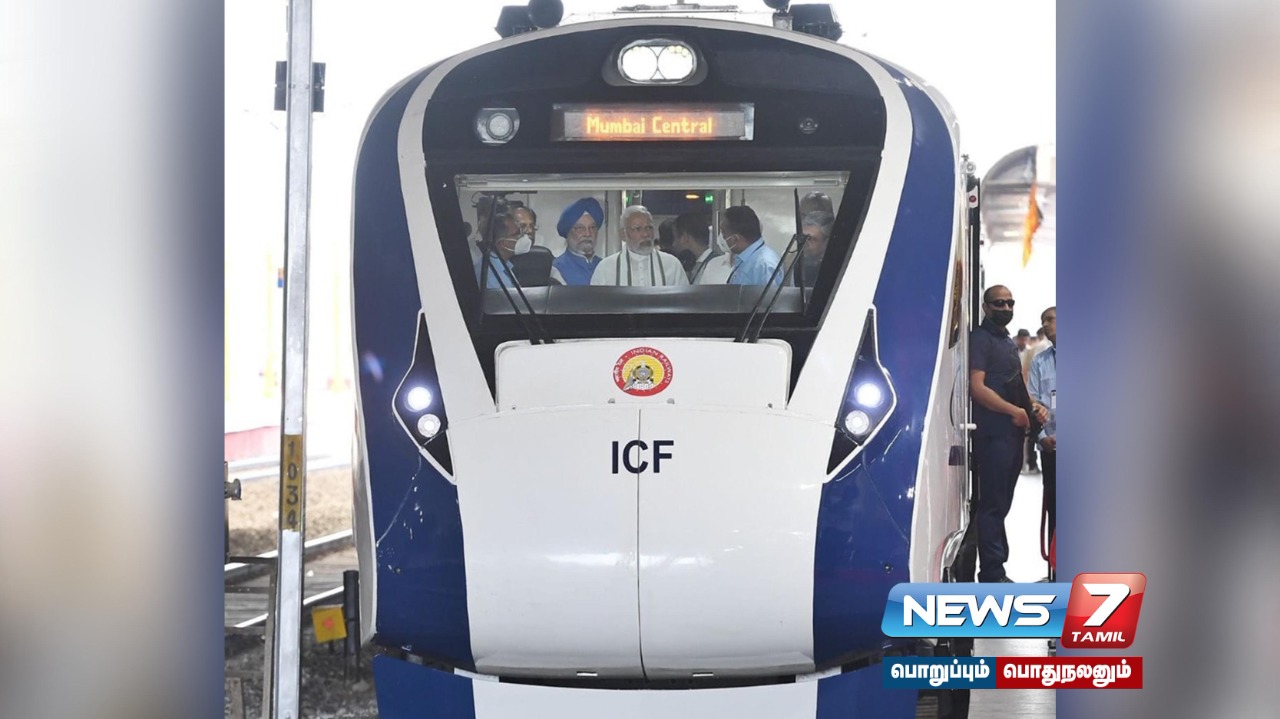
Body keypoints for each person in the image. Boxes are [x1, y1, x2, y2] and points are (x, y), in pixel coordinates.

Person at [960, 285, 1048, 583]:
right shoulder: (981, 339)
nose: (1006, 308)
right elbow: (977, 387)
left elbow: (1014, 385)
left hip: (1011, 434)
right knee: (992, 505)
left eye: (1010, 303)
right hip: (993, 434)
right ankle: (991, 572)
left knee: (1000, 504)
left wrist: (1031, 407)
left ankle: (996, 568)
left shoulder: (1006, 341)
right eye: (999, 303)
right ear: (986, 307)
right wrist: (1014, 412)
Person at [590, 206, 690, 287]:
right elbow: (596, 304)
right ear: (623, 235)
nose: (645, 234)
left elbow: (684, 301)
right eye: (637, 229)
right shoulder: (605, 268)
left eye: (649, 227)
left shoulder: (672, 265)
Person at [1027, 305, 1057, 575]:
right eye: (1043, 321)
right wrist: (1042, 437)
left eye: (1050, 320)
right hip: (1052, 449)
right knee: (1055, 509)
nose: (1045, 325)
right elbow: (1032, 401)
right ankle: (1056, 570)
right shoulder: (1040, 361)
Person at [718, 205, 781, 286]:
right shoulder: (745, 259)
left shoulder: (764, 265)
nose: (721, 237)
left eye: (723, 232)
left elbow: (769, 294)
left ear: (735, 238)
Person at [551, 197, 605, 286]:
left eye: (592, 228)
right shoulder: (556, 268)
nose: (587, 234)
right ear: (568, 232)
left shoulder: (606, 266)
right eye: (580, 228)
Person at [473, 211, 526, 289]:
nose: (523, 237)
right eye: (517, 234)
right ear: (501, 243)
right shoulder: (489, 276)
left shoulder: (503, 266)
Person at [671, 212, 719, 283]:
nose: (674, 244)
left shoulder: (714, 266)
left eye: (675, 238)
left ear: (684, 237)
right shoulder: (693, 266)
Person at [792, 210, 833, 289]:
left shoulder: (834, 269)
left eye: (810, 239)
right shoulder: (796, 262)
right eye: (802, 237)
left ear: (827, 242)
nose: (804, 243)